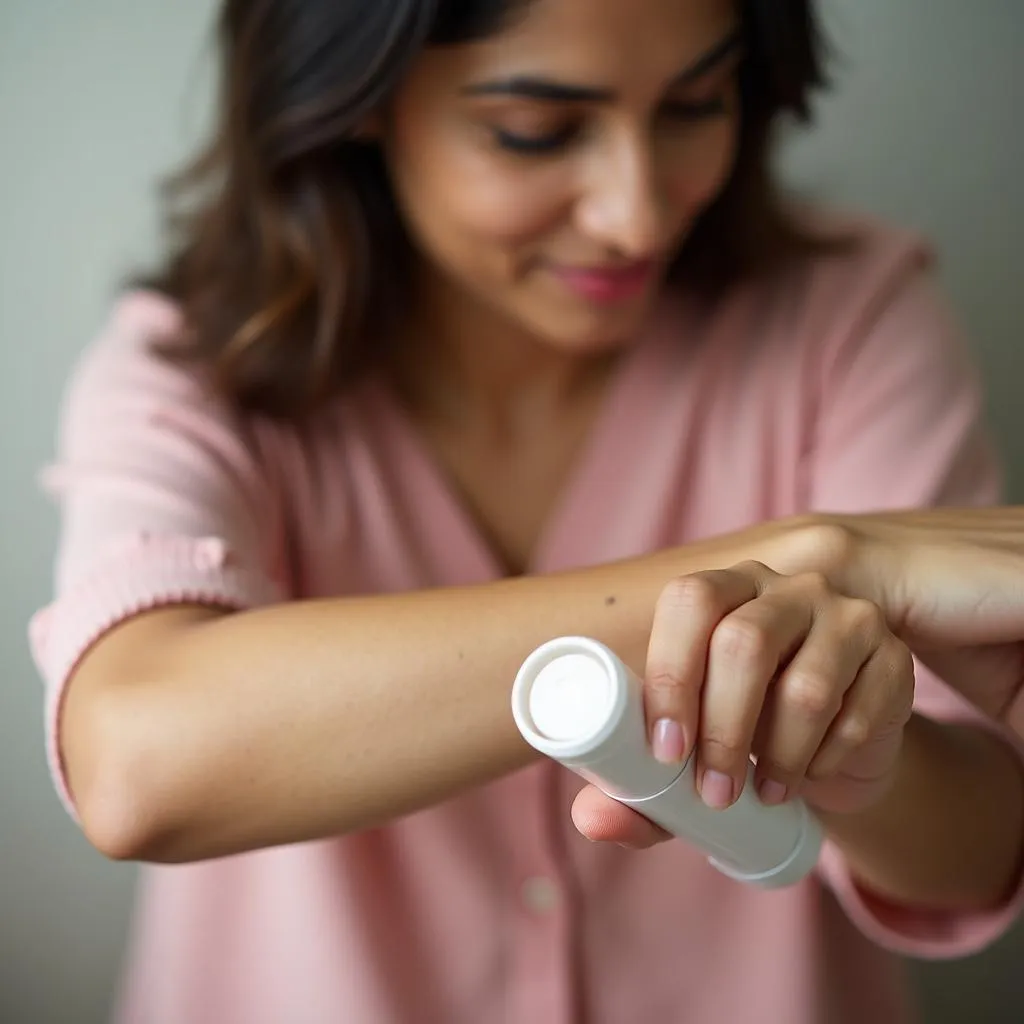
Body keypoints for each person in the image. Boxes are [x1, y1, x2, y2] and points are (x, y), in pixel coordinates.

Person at [28, 1, 1024, 1022]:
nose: (634, 213)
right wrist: (814, 560)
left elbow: (979, 847)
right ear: (359, 101)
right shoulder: (194, 375)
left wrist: (862, 752)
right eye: (535, 132)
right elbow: (137, 759)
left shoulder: (848, 319)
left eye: (694, 104)